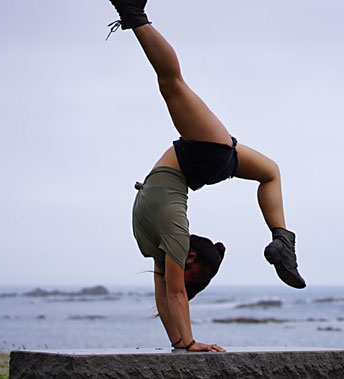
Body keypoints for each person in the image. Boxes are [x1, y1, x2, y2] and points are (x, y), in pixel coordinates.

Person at [108, 0, 306, 353]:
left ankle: (133, 15)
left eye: (191, 279)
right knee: (270, 172)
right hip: (202, 157)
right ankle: (282, 241)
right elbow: (171, 292)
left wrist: (185, 343)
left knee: (171, 83)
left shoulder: (171, 240)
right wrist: (185, 343)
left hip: (204, 155)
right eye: (192, 279)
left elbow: (170, 292)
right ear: (192, 259)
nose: (182, 281)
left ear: (192, 259)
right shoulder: (167, 239)